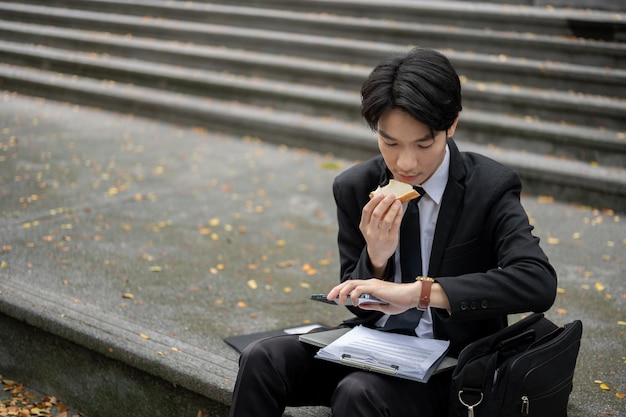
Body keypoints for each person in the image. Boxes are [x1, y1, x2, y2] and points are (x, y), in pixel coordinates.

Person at [228, 47, 557, 417]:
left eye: (423, 143)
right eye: (390, 143)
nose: (406, 163)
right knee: (261, 359)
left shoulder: (489, 187)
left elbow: (538, 281)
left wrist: (419, 293)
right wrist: (376, 258)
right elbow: (357, 299)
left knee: (358, 393)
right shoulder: (356, 187)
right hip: (372, 347)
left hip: (450, 365)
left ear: (452, 125)